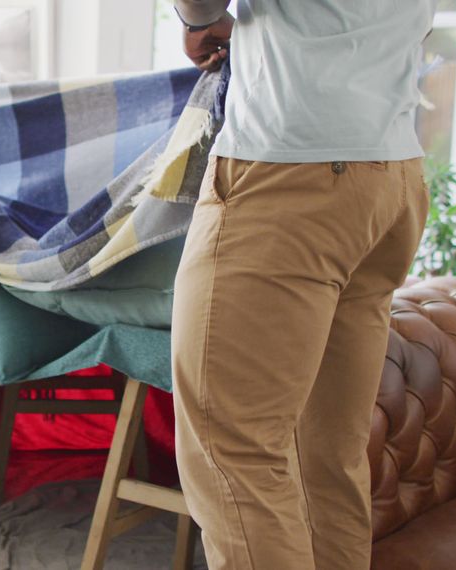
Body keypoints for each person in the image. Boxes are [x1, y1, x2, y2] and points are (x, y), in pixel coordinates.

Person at [170, 1, 434, 569]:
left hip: (288, 169)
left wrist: (195, 20)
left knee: (232, 454)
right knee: (325, 459)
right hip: (390, 172)